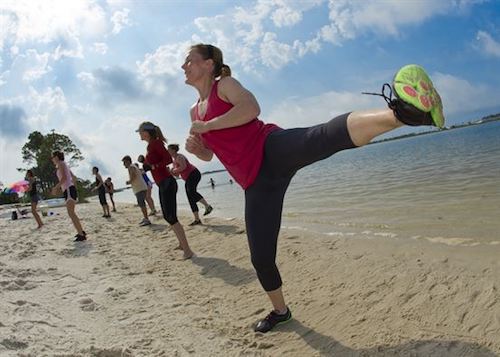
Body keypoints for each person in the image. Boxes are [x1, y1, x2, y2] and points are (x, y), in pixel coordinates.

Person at [182, 43, 445, 333]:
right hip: (255, 183)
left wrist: (210, 126)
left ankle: (409, 114)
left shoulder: (225, 86)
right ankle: (281, 311)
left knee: (321, 137)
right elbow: (209, 155)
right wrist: (198, 150)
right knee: (260, 257)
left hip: (270, 148)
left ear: (208, 64)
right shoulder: (194, 112)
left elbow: (251, 108)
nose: (184, 66)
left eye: (189, 60)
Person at [136, 122, 194, 259]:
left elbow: (167, 159)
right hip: (163, 183)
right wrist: (146, 164)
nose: (139, 134)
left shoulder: (155, 143)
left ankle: (188, 250)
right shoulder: (151, 145)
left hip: (167, 182)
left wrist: (154, 166)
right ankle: (182, 244)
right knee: (168, 216)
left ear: (146, 132)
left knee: (171, 216)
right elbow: (155, 164)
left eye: (140, 131)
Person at [167, 144, 213, 225]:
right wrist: (170, 172)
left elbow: (183, 167)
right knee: (190, 196)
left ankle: (207, 206)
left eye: (169, 149)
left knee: (191, 192)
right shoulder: (174, 161)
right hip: (188, 178)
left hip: (194, 174)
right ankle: (197, 219)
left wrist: (173, 170)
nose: (168, 151)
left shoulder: (179, 157)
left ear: (174, 150)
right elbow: (177, 175)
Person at [51, 151, 86, 241]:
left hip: (69, 190)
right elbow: (73, 177)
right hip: (69, 189)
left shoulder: (61, 164)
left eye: (53, 157)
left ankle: (81, 234)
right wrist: (74, 188)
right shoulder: (63, 165)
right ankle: (80, 231)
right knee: (72, 213)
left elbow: (64, 178)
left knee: (71, 213)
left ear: (57, 157)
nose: (52, 159)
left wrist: (56, 188)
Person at [122, 155, 151, 226]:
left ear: (128, 161)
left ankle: (147, 219)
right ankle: (145, 218)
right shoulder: (133, 166)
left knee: (141, 204)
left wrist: (128, 182)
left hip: (139, 188)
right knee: (141, 203)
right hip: (141, 187)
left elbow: (133, 177)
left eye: (124, 162)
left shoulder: (131, 167)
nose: (124, 164)